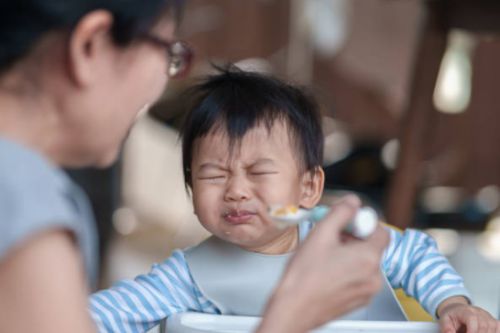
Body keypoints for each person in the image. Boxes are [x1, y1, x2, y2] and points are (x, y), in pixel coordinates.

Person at [0, 1, 390, 333]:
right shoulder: (26, 205)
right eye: (172, 57)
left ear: (311, 185)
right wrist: (290, 316)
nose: (237, 190)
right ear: (92, 45)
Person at [90, 68, 500, 333]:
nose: (235, 190)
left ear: (308, 188)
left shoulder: (345, 237)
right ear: (190, 189)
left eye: (258, 172)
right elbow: (94, 319)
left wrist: (452, 304)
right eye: (213, 175)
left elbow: (416, 255)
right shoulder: (185, 278)